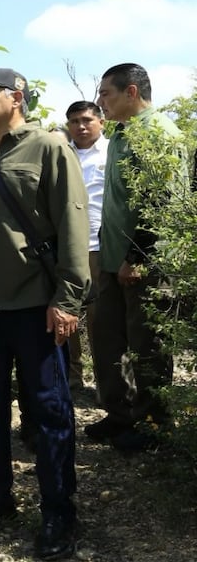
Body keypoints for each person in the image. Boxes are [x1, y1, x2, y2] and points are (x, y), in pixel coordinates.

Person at [0, 68, 90, 562]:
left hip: (35, 306)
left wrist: (68, 299)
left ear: (16, 98)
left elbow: (72, 221)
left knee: (48, 411)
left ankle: (58, 515)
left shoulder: (49, 147)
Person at [87, 63, 187, 453]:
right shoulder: (122, 134)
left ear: (131, 92)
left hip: (143, 264)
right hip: (113, 260)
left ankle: (153, 426)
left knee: (148, 347)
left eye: (106, 94)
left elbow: (162, 205)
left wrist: (138, 256)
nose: (100, 103)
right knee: (109, 340)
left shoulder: (159, 133)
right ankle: (120, 415)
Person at [64, 100, 109, 392]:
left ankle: (107, 387)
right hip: (66, 248)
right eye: (74, 121)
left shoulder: (111, 152)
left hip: (99, 247)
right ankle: (71, 380)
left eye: (87, 120)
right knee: (64, 316)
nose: (80, 126)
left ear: (101, 122)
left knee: (101, 322)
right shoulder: (61, 153)